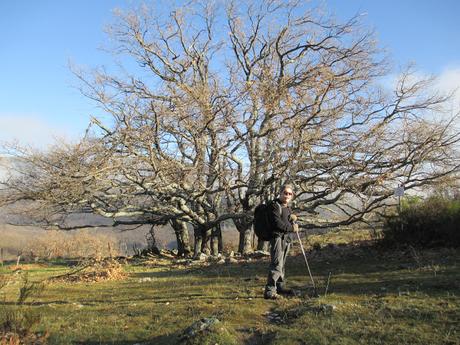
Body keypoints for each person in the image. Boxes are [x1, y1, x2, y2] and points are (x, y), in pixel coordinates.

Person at [264, 184, 299, 300]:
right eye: (285, 193)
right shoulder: (274, 206)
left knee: (282, 264)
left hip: (286, 239)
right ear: (280, 193)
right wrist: (292, 228)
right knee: (276, 264)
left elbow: (285, 222)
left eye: (290, 193)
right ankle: (270, 291)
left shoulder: (287, 207)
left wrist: (292, 218)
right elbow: (277, 224)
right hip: (277, 238)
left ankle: (280, 287)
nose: (287, 195)